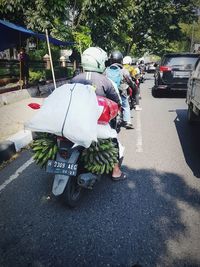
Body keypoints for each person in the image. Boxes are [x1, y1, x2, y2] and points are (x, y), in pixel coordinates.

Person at [69, 46, 126, 181]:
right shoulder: (106, 81)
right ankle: (116, 172)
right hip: (97, 124)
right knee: (113, 140)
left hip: (75, 121)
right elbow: (117, 102)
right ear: (100, 62)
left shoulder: (75, 78)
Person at [108, 51, 135, 129]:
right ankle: (128, 122)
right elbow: (129, 80)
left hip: (110, 91)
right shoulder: (123, 70)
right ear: (121, 60)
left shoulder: (106, 70)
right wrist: (132, 85)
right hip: (121, 91)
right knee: (126, 105)